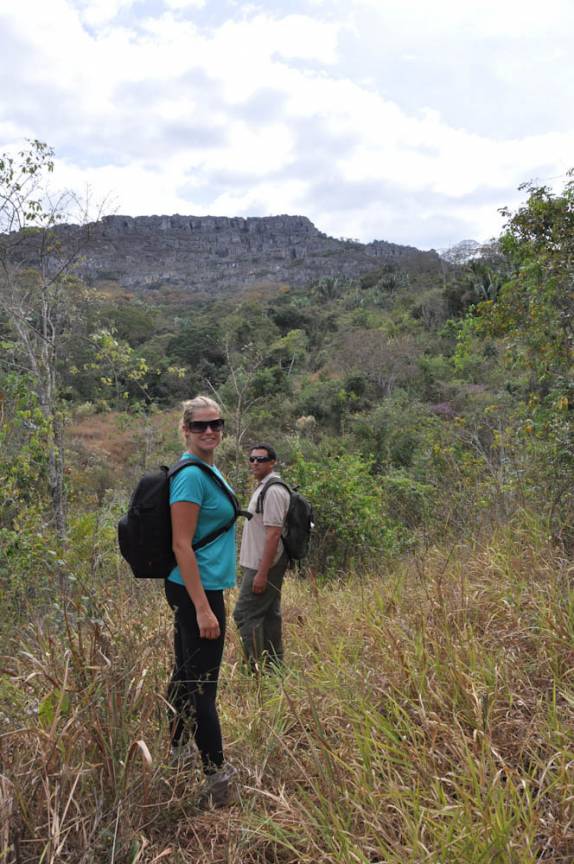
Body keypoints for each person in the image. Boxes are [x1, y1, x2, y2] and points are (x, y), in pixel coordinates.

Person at [165, 395, 236, 808]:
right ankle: (216, 776)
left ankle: (176, 751)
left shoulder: (208, 467)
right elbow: (181, 544)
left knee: (184, 673)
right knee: (203, 686)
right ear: (185, 429)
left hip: (200, 586)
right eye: (200, 426)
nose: (209, 431)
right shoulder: (191, 476)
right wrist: (203, 608)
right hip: (198, 590)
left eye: (216, 424)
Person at [234, 443, 290, 670]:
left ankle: (254, 670)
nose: (255, 463)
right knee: (268, 614)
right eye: (252, 459)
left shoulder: (274, 491)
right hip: (262, 564)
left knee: (244, 615)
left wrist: (262, 573)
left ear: (272, 462)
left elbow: (274, 534)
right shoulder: (264, 487)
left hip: (264, 565)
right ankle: (274, 668)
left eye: (261, 459)